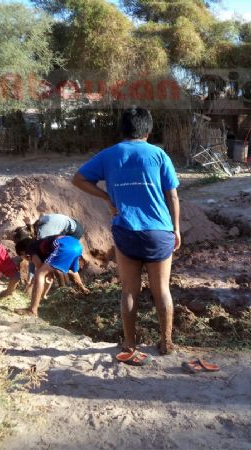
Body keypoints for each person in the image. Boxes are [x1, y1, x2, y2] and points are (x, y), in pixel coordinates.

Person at [72, 106, 180, 364]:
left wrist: (106, 196)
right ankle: (166, 343)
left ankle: (129, 343)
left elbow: (78, 179)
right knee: (161, 290)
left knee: (129, 291)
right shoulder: (159, 155)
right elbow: (172, 195)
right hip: (159, 232)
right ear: (149, 129)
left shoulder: (109, 155)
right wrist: (176, 229)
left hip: (126, 230)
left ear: (122, 129)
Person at [14, 235, 88, 316]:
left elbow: (39, 267)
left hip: (62, 245)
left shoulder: (30, 247)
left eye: (25, 257)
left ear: (23, 252)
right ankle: (83, 290)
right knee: (72, 270)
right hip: (76, 245)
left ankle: (32, 310)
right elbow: (51, 271)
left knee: (39, 274)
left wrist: (41, 279)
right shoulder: (42, 247)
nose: (28, 259)